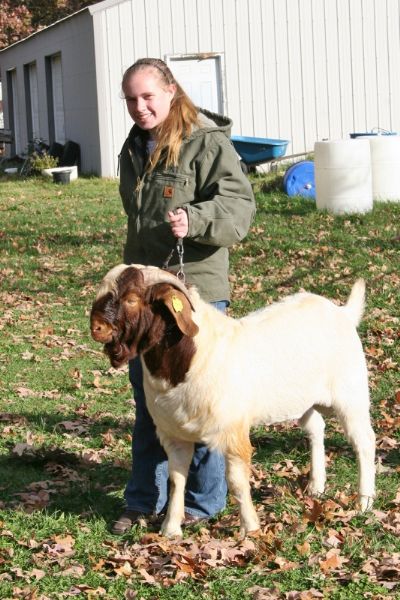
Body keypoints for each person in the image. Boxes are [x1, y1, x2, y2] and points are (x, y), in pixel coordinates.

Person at [112, 57, 255, 534]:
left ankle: (201, 502)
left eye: (148, 96)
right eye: (131, 99)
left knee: (201, 402)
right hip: (145, 298)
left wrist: (196, 220)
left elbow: (239, 208)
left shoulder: (206, 142)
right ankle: (143, 499)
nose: (139, 107)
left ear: (171, 90)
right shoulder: (133, 146)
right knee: (150, 401)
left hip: (196, 293)